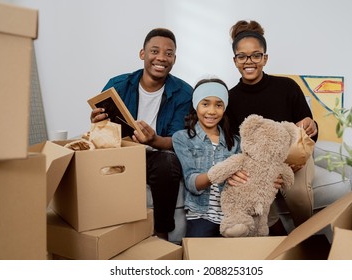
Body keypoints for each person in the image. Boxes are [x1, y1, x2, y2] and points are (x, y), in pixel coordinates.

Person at [90, 28, 193, 240]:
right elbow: (103, 132)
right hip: (122, 151)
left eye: (169, 53)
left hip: (156, 156)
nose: (162, 58)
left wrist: (154, 140)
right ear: (142, 54)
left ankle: (162, 233)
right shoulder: (117, 85)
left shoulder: (184, 93)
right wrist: (96, 122)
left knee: (167, 163)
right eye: (155, 51)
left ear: (174, 59)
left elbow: (179, 141)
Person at [226, 20, 319, 232]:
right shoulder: (230, 99)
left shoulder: (287, 87)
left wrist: (310, 125)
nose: (249, 61)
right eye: (242, 56)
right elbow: (233, 144)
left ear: (265, 58)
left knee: (297, 193)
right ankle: (278, 238)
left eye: (256, 55)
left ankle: (304, 238)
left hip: (294, 158)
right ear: (235, 61)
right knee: (251, 195)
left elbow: (309, 131)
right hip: (258, 164)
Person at [172, 77, 241, 237]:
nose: (211, 111)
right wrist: (220, 172)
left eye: (218, 105)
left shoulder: (236, 142)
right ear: (196, 105)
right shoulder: (182, 138)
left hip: (232, 215)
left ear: (224, 108)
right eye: (205, 104)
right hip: (201, 215)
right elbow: (191, 182)